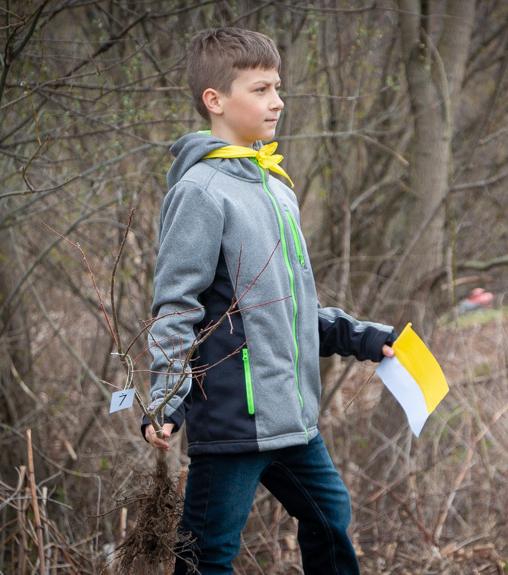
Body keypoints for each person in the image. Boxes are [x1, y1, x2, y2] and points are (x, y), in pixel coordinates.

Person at [141, 28, 397, 575]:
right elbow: (176, 307)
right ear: (215, 100)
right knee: (206, 554)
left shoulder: (275, 187)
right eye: (260, 89)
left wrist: (363, 337)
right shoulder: (201, 191)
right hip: (236, 420)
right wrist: (166, 400)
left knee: (330, 519)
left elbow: (292, 308)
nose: (277, 101)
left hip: (293, 417)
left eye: (277, 87)